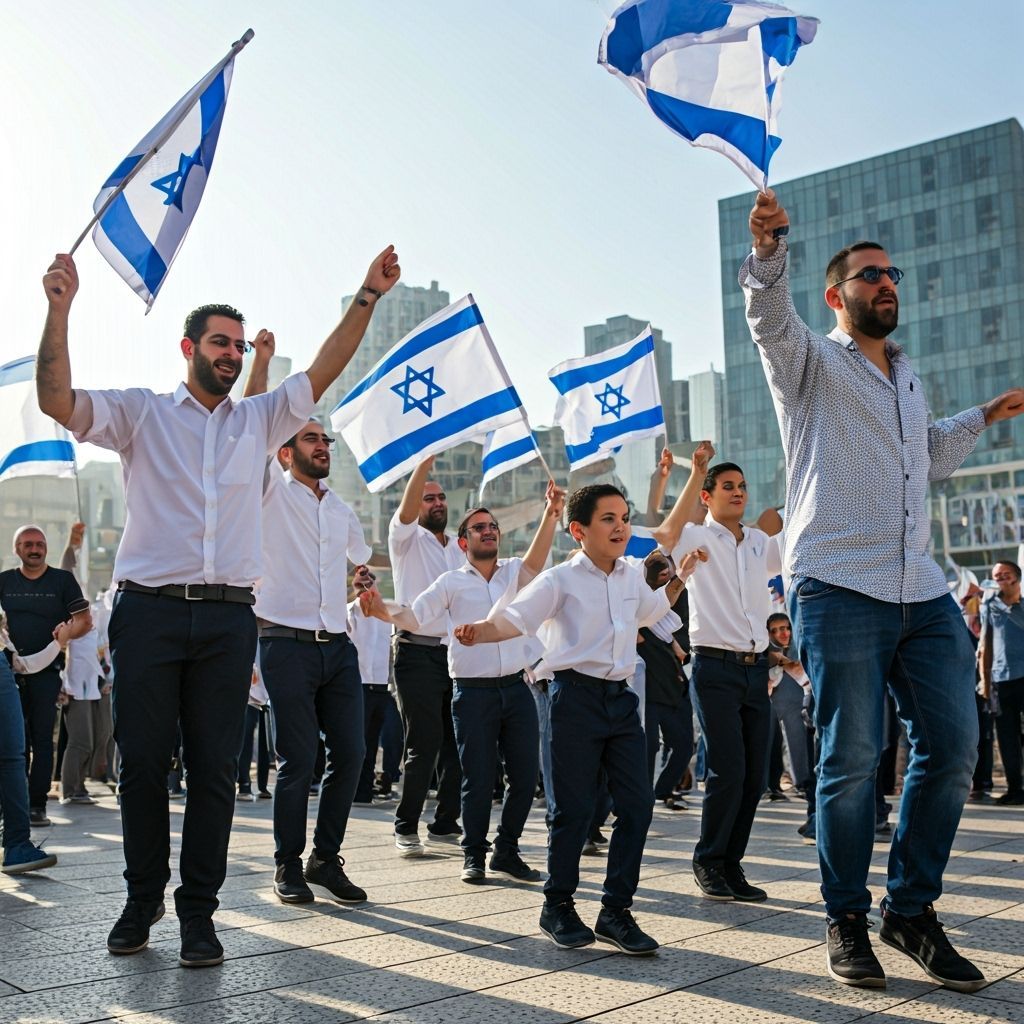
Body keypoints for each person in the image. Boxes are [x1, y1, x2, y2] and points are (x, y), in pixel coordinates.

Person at [37, 244, 400, 966]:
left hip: (231, 619)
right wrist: (58, 309)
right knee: (142, 764)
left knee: (213, 770)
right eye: (220, 343)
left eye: (239, 345)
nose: (233, 354)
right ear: (189, 349)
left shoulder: (259, 423)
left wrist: (367, 294)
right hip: (150, 612)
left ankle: (197, 914)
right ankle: (141, 901)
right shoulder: (141, 415)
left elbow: (325, 369)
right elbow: (57, 402)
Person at [742, 190, 1024, 991]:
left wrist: (989, 413)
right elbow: (769, 321)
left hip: (922, 587)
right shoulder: (811, 363)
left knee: (956, 746)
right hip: (836, 583)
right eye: (870, 276)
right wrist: (768, 255)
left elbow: (927, 459)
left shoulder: (908, 376)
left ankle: (910, 910)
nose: (887, 283)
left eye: (892, 273)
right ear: (838, 296)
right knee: (853, 756)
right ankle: (846, 918)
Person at [454, 484, 685, 956]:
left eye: (624, 517)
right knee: (573, 811)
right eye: (608, 519)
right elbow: (514, 619)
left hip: (620, 702)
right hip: (572, 699)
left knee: (637, 807)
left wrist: (683, 580)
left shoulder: (629, 578)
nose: (621, 526)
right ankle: (557, 905)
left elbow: (651, 612)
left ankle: (615, 912)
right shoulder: (559, 579)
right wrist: (480, 632)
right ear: (578, 530)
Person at [362, 481, 564, 885]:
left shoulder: (512, 572)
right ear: (462, 542)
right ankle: (473, 853)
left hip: (516, 688)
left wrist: (552, 512)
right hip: (472, 692)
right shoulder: (451, 583)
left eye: (492, 526)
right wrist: (383, 612)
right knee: (476, 775)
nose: (488, 531)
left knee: (525, 778)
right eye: (478, 527)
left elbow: (537, 562)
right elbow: (417, 617)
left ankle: (507, 850)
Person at [253, 410, 376, 907]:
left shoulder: (340, 507)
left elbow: (360, 553)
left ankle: (325, 860)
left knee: (351, 753)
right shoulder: (271, 492)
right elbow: (254, 439)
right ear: (286, 452)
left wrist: (361, 578)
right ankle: (287, 863)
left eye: (325, 439)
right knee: (298, 759)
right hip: (284, 644)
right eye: (310, 439)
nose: (323, 445)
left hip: (337, 647)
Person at [665, 462, 781, 903]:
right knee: (728, 769)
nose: (738, 492)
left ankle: (732, 864)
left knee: (754, 776)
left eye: (743, 486)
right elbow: (667, 530)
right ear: (707, 496)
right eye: (727, 486)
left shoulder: (757, 542)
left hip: (756, 668)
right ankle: (708, 861)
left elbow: (794, 535)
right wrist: (694, 473)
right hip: (714, 668)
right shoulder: (695, 536)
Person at [388, 457, 466, 855]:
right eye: (427, 497)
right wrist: (422, 465)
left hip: (453, 656)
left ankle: (445, 822)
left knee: (458, 742)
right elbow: (403, 514)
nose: (435, 502)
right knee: (424, 742)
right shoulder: (405, 541)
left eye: (440, 497)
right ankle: (406, 825)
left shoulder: (458, 546)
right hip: (415, 653)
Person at [0, 525, 93, 826]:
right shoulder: (4, 581)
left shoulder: (62, 580)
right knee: (14, 743)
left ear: (46, 549)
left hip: (47, 671)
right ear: (17, 549)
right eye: (27, 544)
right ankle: (13, 806)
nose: (34, 549)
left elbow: (85, 622)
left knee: (42, 740)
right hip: (10, 671)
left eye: (39, 543)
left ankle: (36, 805)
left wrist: (65, 637)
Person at [979, 561, 1024, 805]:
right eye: (996, 576)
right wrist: (985, 682)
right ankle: (1015, 788)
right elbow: (985, 645)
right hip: (1000, 680)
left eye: (1005, 575)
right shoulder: (989, 605)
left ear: (1017, 578)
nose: (1000, 580)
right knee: (1006, 738)